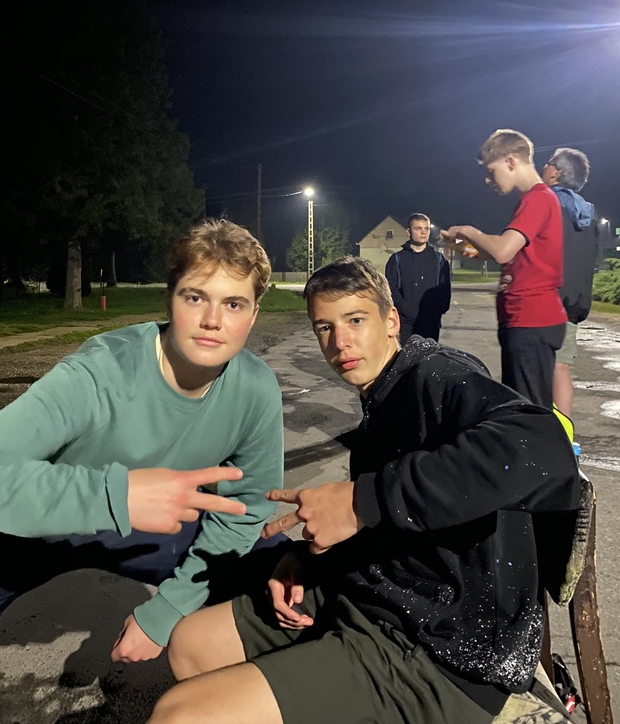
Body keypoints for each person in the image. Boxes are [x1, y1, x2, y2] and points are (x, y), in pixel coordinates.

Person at [146, 256, 579, 724]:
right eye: (325, 328)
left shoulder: (435, 376)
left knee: (177, 715)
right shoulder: (382, 395)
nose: (340, 342)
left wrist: (360, 501)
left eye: (355, 320)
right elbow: (403, 526)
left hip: (442, 650)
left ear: (391, 321)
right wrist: (309, 559)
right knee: (190, 645)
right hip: (376, 596)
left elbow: (543, 447)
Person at [0, 219, 284, 713]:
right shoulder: (101, 369)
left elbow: (246, 512)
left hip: (144, 522)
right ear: (170, 300)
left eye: (233, 304)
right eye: (195, 297)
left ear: (253, 315)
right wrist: (114, 494)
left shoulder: (254, 389)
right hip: (29, 521)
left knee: (277, 568)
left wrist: (166, 612)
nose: (213, 320)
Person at [440, 128, 567, 410]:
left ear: (511, 161)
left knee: (529, 411)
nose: (488, 180)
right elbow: (495, 253)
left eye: (491, 171)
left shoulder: (538, 198)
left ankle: (544, 442)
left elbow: (502, 250)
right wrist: (459, 245)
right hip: (522, 320)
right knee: (521, 407)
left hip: (531, 320)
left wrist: (468, 230)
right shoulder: (532, 200)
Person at [542, 148, 599, 419]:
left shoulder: (547, 202)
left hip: (545, 297)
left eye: (549, 163)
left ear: (557, 173)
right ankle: (564, 432)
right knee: (561, 367)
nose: (544, 166)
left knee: (535, 367)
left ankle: (534, 430)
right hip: (574, 299)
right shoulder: (588, 213)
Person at [385, 212, 451, 344]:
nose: (423, 232)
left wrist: (439, 309)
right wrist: (404, 309)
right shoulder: (397, 259)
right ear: (408, 231)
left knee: (428, 356)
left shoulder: (438, 259)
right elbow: (390, 288)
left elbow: (445, 287)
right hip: (405, 324)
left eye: (426, 228)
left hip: (431, 322)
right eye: (418, 228)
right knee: (405, 356)